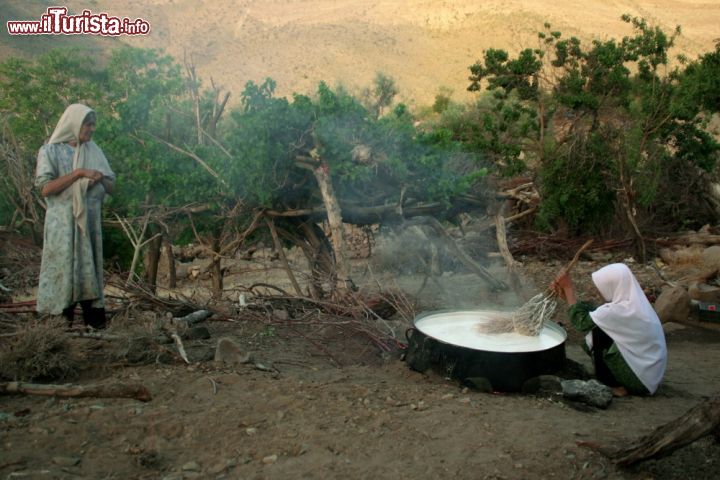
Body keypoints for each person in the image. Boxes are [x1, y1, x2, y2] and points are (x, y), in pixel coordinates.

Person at [34, 104, 115, 329]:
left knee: (89, 269)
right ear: (74, 124)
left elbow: (111, 186)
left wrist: (99, 179)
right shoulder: (50, 151)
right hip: (63, 226)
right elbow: (46, 188)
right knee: (62, 268)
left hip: (88, 225)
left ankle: (95, 322)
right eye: (87, 124)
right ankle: (57, 324)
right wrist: (79, 173)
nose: (92, 129)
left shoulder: (93, 151)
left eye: (93, 124)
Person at [552, 263, 667, 396]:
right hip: (650, 377)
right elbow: (594, 314)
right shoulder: (635, 305)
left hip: (639, 382)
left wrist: (568, 288)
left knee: (599, 332)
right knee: (600, 325)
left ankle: (612, 385)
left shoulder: (618, 310)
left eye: (601, 288)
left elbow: (582, 323)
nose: (598, 292)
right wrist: (567, 296)